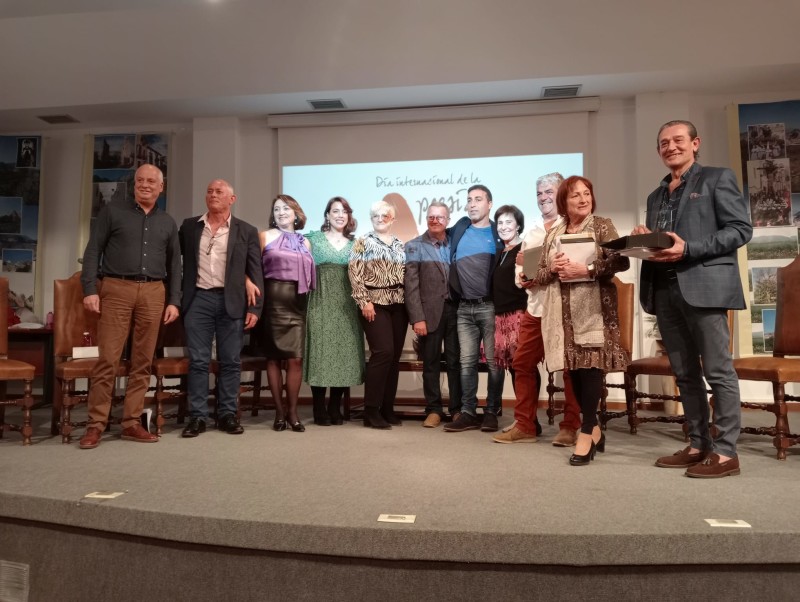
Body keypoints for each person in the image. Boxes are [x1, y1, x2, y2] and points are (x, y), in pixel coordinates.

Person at [633, 119, 752, 478]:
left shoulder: (717, 178)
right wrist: (645, 239)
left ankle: (726, 452)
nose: (670, 146)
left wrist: (689, 249)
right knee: (684, 374)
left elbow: (740, 230)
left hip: (705, 288)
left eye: (678, 140)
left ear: (695, 144)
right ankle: (699, 444)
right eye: (663, 142)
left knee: (718, 371)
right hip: (664, 290)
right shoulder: (655, 196)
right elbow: (665, 243)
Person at [78, 164, 181, 449]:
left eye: (151, 181)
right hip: (116, 288)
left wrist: (174, 301)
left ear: (161, 187)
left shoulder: (167, 222)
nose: (145, 185)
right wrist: (90, 289)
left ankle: (131, 422)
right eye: (140, 180)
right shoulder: (113, 212)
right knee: (108, 360)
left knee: (142, 361)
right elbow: (93, 251)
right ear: (134, 184)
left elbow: (175, 265)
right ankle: (95, 425)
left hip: (153, 291)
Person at [533, 176, 630, 465]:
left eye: (587, 193)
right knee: (574, 371)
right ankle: (595, 428)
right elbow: (538, 275)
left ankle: (586, 430)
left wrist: (586, 270)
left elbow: (620, 261)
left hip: (594, 312)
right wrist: (552, 267)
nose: (583, 199)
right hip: (561, 315)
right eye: (575, 195)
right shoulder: (554, 232)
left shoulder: (602, 225)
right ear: (564, 201)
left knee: (590, 368)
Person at [499, 173, 582, 446]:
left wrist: (538, 269)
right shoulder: (533, 232)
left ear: (561, 194)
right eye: (539, 193)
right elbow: (520, 273)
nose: (543, 197)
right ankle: (525, 425)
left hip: (565, 308)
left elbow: (569, 268)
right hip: (535, 308)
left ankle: (570, 426)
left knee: (569, 367)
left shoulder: (572, 228)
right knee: (521, 363)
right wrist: (524, 277)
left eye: (549, 192)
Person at [178, 179, 264, 438]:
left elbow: (254, 270)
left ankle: (227, 414)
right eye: (210, 191)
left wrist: (255, 308)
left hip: (232, 300)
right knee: (198, 361)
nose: (213, 195)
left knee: (230, 361)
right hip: (198, 300)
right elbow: (174, 260)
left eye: (219, 192)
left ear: (232, 199)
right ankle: (197, 416)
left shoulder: (246, 230)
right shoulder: (189, 227)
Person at [443, 185, 504, 433]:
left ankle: (491, 411)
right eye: (469, 200)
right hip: (463, 308)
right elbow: (437, 232)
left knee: (494, 363)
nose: (472, 204)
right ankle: (468, 412)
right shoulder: (460, 227)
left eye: (478, 199)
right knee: (466, 363)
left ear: (490, 204)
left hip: (489, 307)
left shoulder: (498, 231)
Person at [303, 197, 365, 425]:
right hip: (319, 302)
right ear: (327, 215)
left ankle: (335, 407)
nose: (340, 215)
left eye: (344, 211)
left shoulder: (356, 244)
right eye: (335, 211)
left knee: (343, 354)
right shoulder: (312, 239)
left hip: (347, 305)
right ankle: (319, 407)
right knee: (320, 353)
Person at [259, 195, 316, 432]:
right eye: (276, 209)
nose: (281, 212)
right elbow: (254, 270)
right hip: (272, 303)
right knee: (273, 358)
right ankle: (279, 413)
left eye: (286, 208)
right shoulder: (264, 236)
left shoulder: (306, 242)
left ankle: (293, 412)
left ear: (296, 213)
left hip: (298, 305)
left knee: (296, 359)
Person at [348, 200, 407, 430]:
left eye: (385, 215)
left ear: (392, 219)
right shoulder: (362, 242)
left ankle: (387, 409)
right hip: (373, 303)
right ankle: (371, 411)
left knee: (394, 358)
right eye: (376, 215)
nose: (380, 219)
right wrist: (364, 301)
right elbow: (354, 273)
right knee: (383, 352)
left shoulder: (400, 244)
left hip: (399, 304)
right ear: (371, 219)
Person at [404, 201, 461, 428]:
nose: (435, 220)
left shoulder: (456, 244)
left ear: (448, 220)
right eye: (431, 216)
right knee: (430, 363)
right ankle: (434, 409)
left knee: (456, 362)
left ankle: (457, 409)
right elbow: (411, 286)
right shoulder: (414, 246)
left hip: (456, 311)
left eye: (440, 217)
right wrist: (417, 317)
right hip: (428, 314)